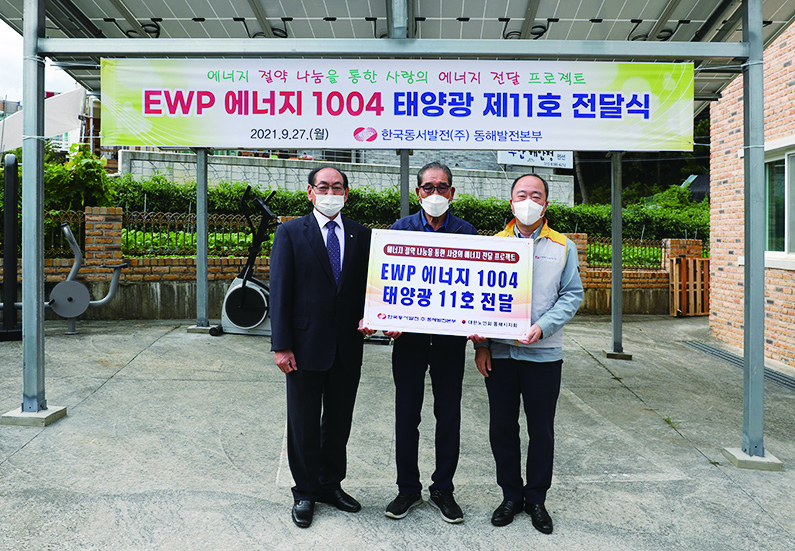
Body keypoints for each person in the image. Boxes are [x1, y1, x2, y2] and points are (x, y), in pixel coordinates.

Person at [471, 173, 583, 532]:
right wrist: (481, 345)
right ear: (511, 202)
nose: (528, 201)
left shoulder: (563, 246)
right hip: (500, 355)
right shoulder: (492, 245)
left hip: (544, 355)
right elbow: (478, 298)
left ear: (546, 204)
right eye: (522, 195)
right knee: (502, 428)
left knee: (541, 431)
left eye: (536, 195)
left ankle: (536, 499)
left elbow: (572, 295)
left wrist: (544, 326)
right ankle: (510, 496)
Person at [269, 166, 372, 528]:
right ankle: (305, 492)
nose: (331, 193)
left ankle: (330, 484)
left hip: (347, 347)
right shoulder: (290, 232)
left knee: (339, 423)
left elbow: (369, 287)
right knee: (303, 423)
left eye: (337, 187)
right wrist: (281, 345)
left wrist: (376, 316)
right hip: (303, 346)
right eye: (323, 187)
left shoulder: (362, 235)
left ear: (347, 193)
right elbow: (280, 291)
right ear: (310, 192)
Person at [382, 162, 478, 524]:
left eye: (442, 187)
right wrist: (387, 319)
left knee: (448, 416)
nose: (435, 194)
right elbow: (387, 281)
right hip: (409, 342)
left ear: (452, 192)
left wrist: (479, 325)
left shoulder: (467, 233)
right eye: (428, 187)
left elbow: (476, 284)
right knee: (407, 415)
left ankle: (443, 489)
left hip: (450, 343)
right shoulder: (400, 230)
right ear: (418, 192)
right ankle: (408, 488)